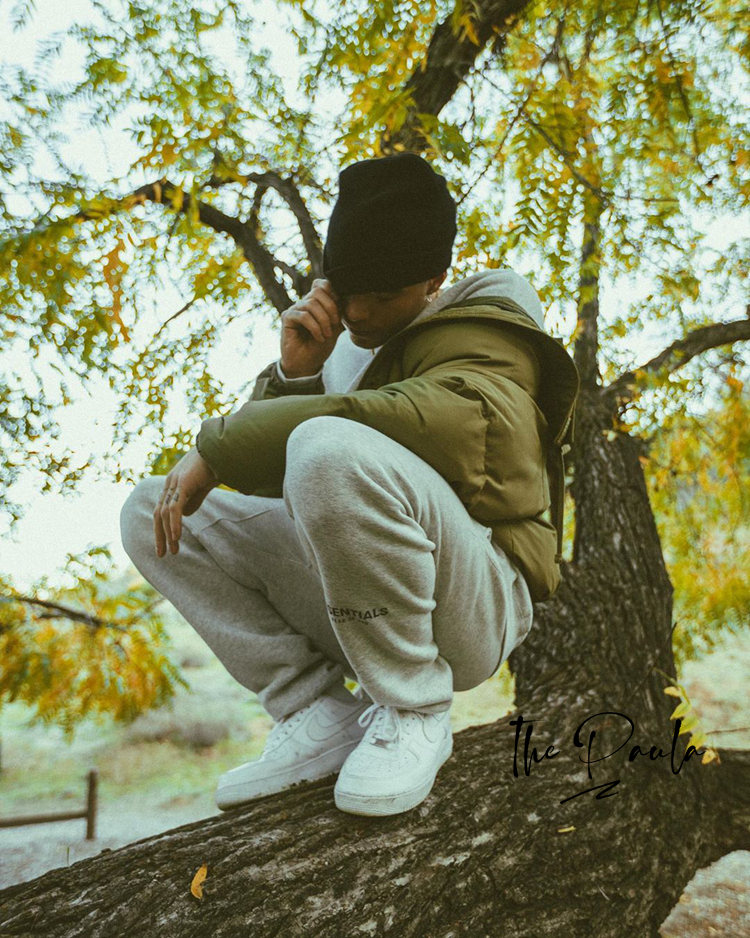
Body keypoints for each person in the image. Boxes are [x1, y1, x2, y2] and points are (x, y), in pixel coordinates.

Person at [119, 152, 579, 818]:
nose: (357, 310)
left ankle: (414, 709)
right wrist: (297, 374)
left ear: (434, 280)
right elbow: (294, 495)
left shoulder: (491, 332)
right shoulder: (342, 344)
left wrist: (221, 447)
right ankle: (314, 712)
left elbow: (420, 425)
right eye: (346, 286)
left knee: (327, 447)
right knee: (151, 508)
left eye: (382, 296)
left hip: (475, 604)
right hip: (359, 604)